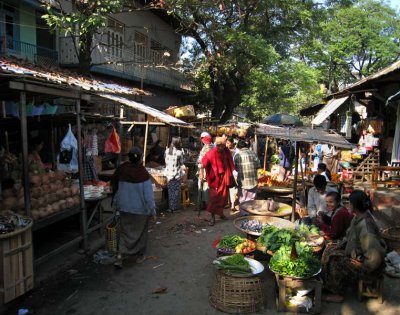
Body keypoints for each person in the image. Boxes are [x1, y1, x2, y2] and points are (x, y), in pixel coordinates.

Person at [321, 190, 386, 301]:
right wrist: (338, 245)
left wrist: (362, 265)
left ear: (354, 205)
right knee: (329, 250)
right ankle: (328, 286)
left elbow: (375, 257)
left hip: (369, 268)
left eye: (349, 202)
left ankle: (338, 294)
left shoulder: (366, 227)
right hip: (358, 255)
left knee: (335, 261)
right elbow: (348, 236)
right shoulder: (357, 218)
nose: (348, 204)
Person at [111, 147, 156, 268]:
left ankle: (120, 257)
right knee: (141, 234)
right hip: (140, 211)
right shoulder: (143, 173)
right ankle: (140, 255)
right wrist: (153, 210)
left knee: (124, 233)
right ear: (141, 159)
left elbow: (116, 189)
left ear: (129, 157)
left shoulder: (122, 170)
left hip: (125, 208)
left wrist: (115, 204)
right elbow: (148, 196)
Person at [201, 136, 235, 226]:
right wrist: (201, 171)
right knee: (214, 198)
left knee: (223, 198)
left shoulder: (226, 151)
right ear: (216, 145)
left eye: (222, 146)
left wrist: (233, 172)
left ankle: (221, 213)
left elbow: (230, 161)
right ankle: (212, 218)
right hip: (214, 179)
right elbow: (204, 161)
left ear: (224, 145)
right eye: (218, 146)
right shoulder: (211, 152)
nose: (220, 147)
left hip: (224, 178)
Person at [234, 140, 260, 214]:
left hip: (242, 181)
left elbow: (236, 168)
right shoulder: (253, 154)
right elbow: (258, 166)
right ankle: (250, 213)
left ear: (239, 147)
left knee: (242, 199)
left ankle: (243, 214)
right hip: (253, 180)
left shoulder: (237, 155)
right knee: (251, 198)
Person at [164, 137, 184, 213]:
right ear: (177, 143)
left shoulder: (167, 151)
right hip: (176, 174)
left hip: (168, 174)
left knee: (170, 192)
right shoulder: (179, 152)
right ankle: (175, 208)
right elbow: (182, 163)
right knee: (176, 192)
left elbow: (165, 162)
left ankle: (171, 208)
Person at [197, 132, 214, 210]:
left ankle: (203, 205)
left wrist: (201, 172)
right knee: (208, 187)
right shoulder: (213, 146)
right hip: (211, 171)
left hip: (204, 171)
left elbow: (201, 162)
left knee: (202, 188)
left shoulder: (206, 148)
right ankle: (206, 204)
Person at [226, 136, 238, 213]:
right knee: (227, 188)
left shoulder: (236, 151)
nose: (227, 144)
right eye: (226, 143)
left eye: (228, 143)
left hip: (234, 172)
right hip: (227, 172)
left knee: (233, 189)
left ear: (232, 143)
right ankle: (227, 203)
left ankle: (233, 205)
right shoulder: (225, 150)